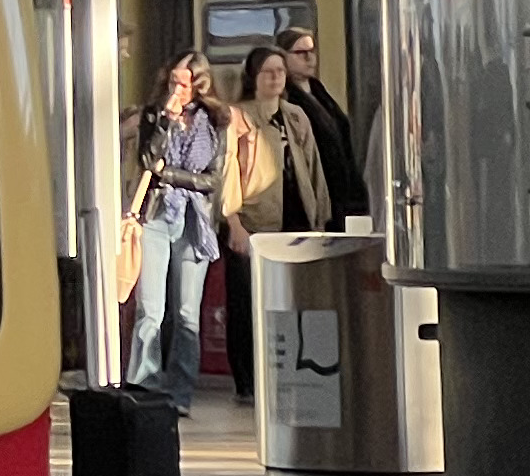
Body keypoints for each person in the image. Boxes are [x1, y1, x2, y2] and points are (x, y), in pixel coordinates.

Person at [220, 43, 325, 399]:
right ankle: (248, 380)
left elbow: (313, 170)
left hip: (295, 220)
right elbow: (226, 173)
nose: (276, 77)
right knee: (247, 304)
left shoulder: (295, 116)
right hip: (254, 222)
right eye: (268, 71)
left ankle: (290, 372)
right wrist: (233, 223)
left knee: (291, 302)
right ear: (254, 77)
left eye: (280, 71)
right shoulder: (237, 117)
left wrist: (320, 219)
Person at [121, 50, 223, 405]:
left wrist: (171, 175)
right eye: (172, 81)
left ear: (199, 84)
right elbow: (149, 159)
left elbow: (212, 180)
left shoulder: (215, 120)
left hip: (194, 222)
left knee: (186, 312)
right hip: (157, 215)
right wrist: (166, 122)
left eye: (184, 83)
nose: (176, 88)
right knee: (150, 308)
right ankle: (144, 385)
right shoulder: (153, 114)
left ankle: (180, 392)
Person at [279, 26, 369, 227]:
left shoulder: (318, 91)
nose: (309, 58)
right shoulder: (287, 99)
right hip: (316, 186)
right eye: (300, 53)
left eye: (312, 51)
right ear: (284, 57)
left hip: (340, 185)